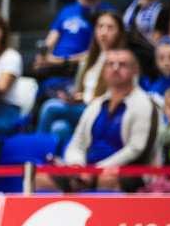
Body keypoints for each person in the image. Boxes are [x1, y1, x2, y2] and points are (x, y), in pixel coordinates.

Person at [36, 48, 159, 192]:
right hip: (87, 172)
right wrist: (79, 168)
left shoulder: (144, 104)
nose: (115, 68)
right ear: (103, 71)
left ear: (135, 70)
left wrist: (97, 171)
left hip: (125, 171)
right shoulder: (96, 105)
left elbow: (136, 149)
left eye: (122, 64)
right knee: (41, 178)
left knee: (106, 179)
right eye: (110, 64)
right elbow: (77, 143)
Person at [37, 10, 127, 139]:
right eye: (100, 27)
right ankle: (58, 158)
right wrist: (71, 98)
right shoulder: (87, 59)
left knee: (49, 107)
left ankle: (37, 153)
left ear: (119, 32)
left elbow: (116, 99)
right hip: (81, 109)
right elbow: (79, 89)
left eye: (110, 28)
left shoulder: (120, 62)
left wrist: (86, 98)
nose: (104, 32)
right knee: (60, 128)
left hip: (100, 112)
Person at [33, 0, 112, 79]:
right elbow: (50, 40)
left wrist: (62, 61)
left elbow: (102, 52)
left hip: (81, 68)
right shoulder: (66, 10)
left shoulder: (108, 14)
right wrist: (43, 57)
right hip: (54, 66)